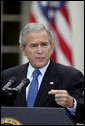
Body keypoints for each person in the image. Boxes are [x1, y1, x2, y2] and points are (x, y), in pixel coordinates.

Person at [1, 23, 84, 123]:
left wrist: (72, 104)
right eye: (33, 46)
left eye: (44, 45)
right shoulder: (7, 77)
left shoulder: (71, 76)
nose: (40, 51)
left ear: (52, 47)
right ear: (23, 50)